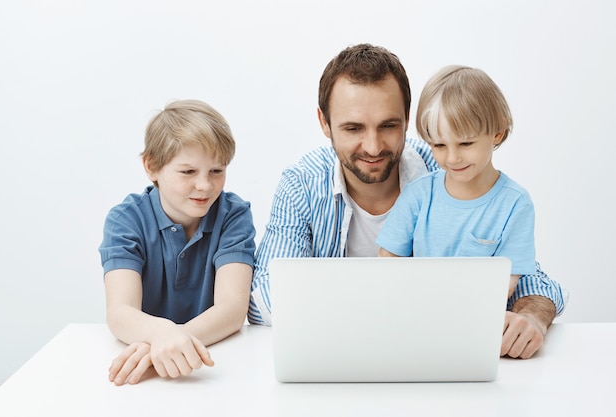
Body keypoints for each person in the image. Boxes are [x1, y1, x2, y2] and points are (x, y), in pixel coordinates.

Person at [249, 43, 567, 359]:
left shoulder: (447, 166)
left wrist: (531, 318)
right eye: (353, 128)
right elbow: (264, 294)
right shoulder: (302, 184)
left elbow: (530, 279)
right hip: (340, 357)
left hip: (432, 357)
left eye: (388, 126)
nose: (373, 147)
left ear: (407, 118)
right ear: (324, 122)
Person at [99, 99, 256, 385]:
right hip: (147, 376)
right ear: (151, 166)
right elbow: (120, 312)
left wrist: (167, 343)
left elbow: (233, 308)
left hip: (213, 366)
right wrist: (161, 335)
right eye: (188, 172)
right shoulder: (125, 219)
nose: (205, 186)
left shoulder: (234, 214)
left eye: (217, 171)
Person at [377, 65, 534, 300]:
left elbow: (508, 282)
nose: (452, 158)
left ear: (497, 133)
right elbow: (387, 262)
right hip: (416, 315)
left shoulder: (515, 205)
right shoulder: (418, 195)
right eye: (439, 145)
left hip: (477, 320)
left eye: (465, 144)